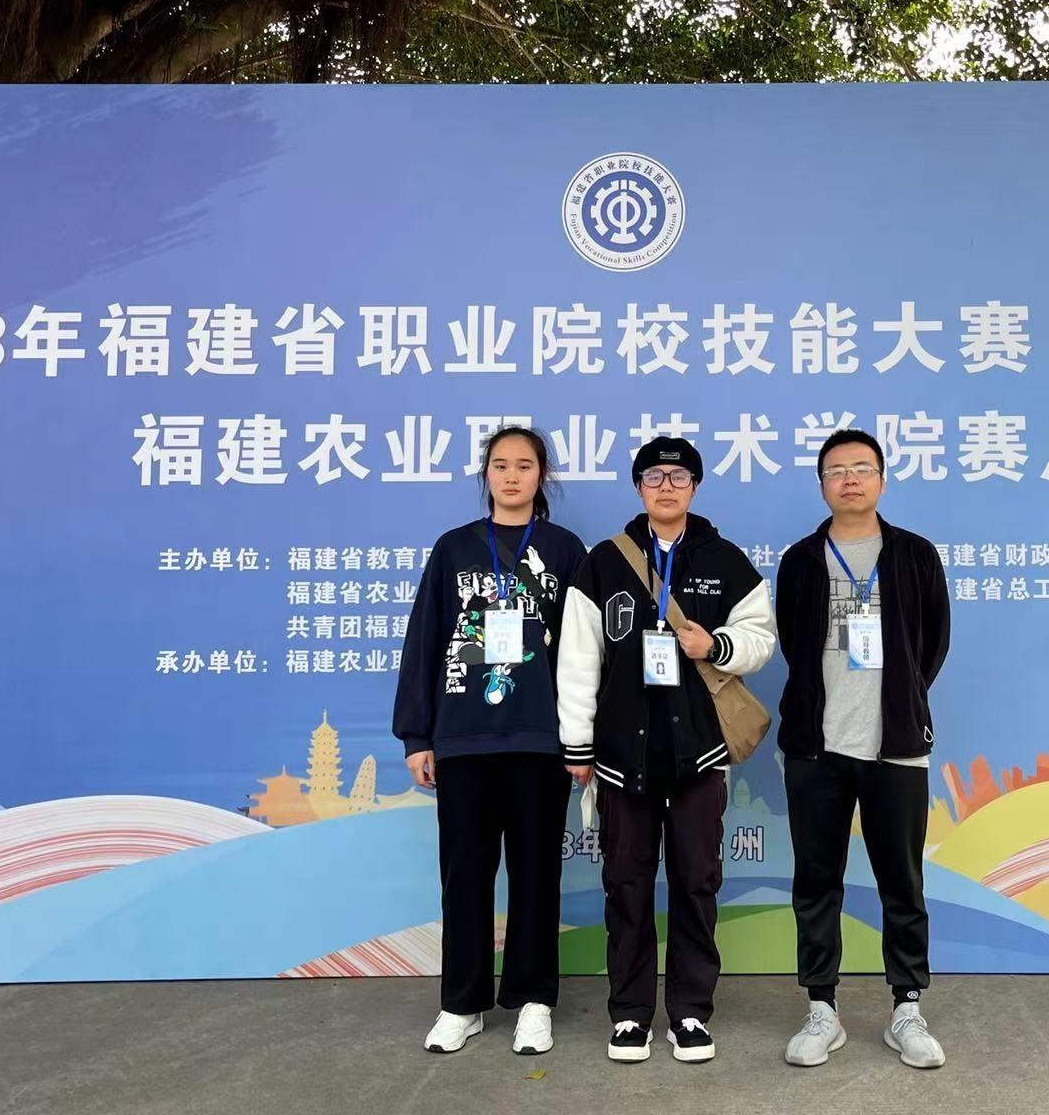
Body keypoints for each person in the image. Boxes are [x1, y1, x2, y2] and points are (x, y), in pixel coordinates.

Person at [556, 436, 776, 1065]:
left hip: (698, 755)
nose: (667, 486)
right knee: (625, 885)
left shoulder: (724, 560)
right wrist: (578, 746)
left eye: (679, 477)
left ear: (695, 487)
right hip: (620, 757)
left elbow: (762, 638)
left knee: (697, 884)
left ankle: (689, 1011)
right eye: (654, 476)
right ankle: (629, 1014)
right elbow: (578, 659)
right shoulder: (603, 562)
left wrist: (718, 646)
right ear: (639, 487)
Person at [393, 425, 587, 1057]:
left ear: (542, 476)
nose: (511, 476)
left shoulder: (563, 550)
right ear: (486, 475)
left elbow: (584, 652)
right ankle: (462, 1003)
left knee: (537, 875)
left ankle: (534, 1001)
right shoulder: (454, 548)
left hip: (540, 741)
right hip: (464, 738)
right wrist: (417, 735)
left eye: (524, 465)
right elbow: (425, 640)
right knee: (465, 877)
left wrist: (582, 739)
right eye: (500, 465)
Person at [774, 428, 950, 1069]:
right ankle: (822, 1009)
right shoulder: (800, 560)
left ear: (881, 478)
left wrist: (900, 701)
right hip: (816, 748)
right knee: (816, 882)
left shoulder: (914, 555)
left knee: (902, 882)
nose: (849, 479)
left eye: (862, 468)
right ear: (821, 484)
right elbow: (793, 645)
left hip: (895, 749)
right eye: (836, 470)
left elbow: (932, 644)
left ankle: (907, 1008)